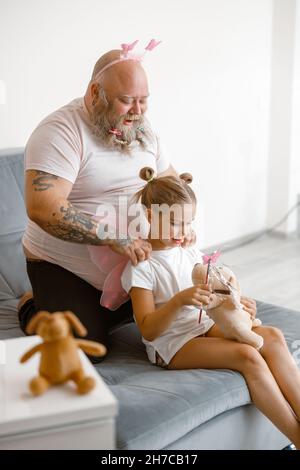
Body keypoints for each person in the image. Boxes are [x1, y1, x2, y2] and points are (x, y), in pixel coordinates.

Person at [18, 43, 183, 354]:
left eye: (143, 101)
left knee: (187, 314)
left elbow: (169, 184)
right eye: (126, 101)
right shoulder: (60, 131)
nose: (137, 111)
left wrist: (180, 225)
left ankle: (115, 308)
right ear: (95, 93)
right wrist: (113, 237)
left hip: (135, 260)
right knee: (85, 349)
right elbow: (43, 207)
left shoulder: (141, 128)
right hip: (64, 268)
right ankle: (32, 306)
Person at [120, 166, 300, 449]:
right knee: (247, 356)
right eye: (176, 223)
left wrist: (237, 302)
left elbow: (215, 285)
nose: (185, 231)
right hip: (173, 344)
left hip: (203, 324)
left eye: (189, 223)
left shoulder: (187, 248)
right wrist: (180, 300)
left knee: (273, 336)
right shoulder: (143, 266)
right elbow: (149, 329)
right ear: (152, 216)